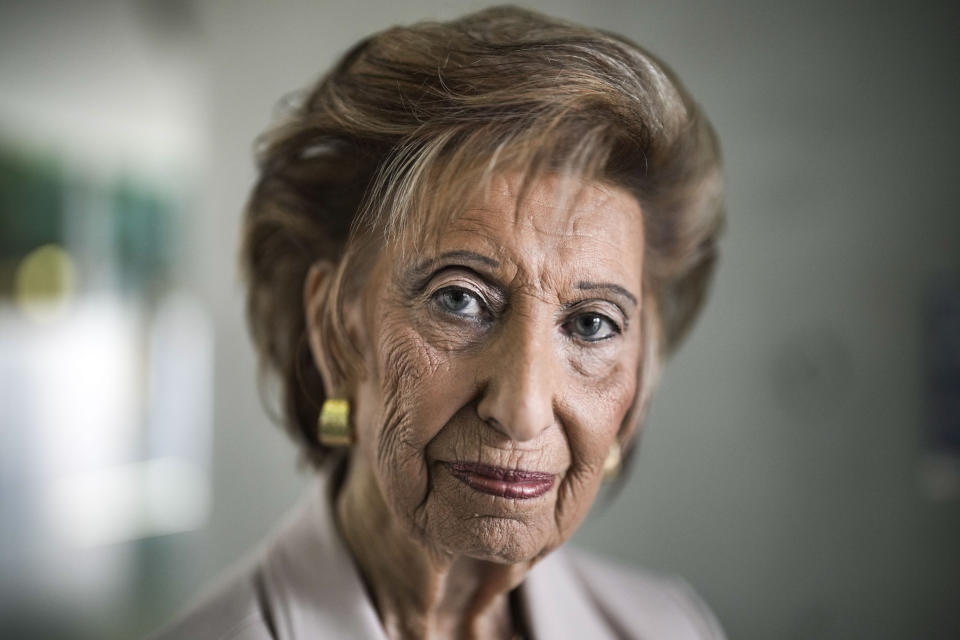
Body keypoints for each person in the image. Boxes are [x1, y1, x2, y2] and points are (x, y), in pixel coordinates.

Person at [154, 5, 726, 639]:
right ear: (336, 331)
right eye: (460, 300)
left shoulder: (672, 626)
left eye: (591, 324)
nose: (523, 410)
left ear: (639, 381)